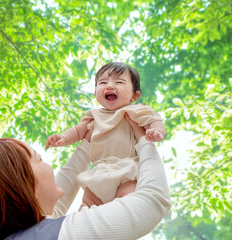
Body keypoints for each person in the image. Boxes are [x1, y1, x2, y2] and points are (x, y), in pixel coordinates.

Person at [0, 115, 170, 240]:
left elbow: (68, 178)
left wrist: (89, 142)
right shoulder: (59, 234)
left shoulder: (30, 233)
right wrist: (144, 142)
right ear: (26, 184)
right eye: (39, 159)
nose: (48, 165)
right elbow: (152, 201)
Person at [46, 62, 165, 209]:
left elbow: (154, 120)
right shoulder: (94, 116)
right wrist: (62, 139)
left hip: (128, 168)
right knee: (87, 205)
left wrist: (156, 131)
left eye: (119, 82)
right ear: (96, 93)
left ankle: (119, 224)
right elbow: (77, 131)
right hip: (100, 170)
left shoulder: (136, 111)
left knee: (127, 201)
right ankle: (84, 224)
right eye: (102, 82)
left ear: (135, 95)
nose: (109, 86)